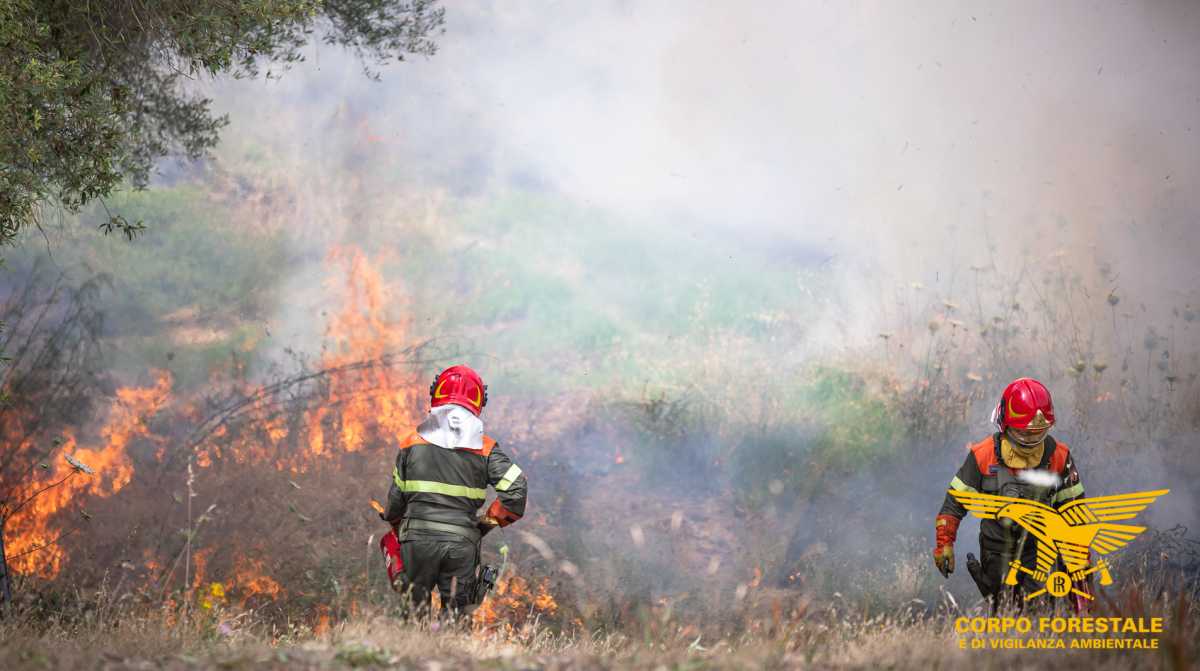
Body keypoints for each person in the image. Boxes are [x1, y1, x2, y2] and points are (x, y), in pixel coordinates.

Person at [380, 365, 527, 615]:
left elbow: (395, 503)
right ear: (479, 401)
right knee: (457, 619)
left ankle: (413, 653)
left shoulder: (411, 444)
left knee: (414, 615)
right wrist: (485, 524)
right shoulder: (486, 448)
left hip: (416, 542)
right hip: (462, 544)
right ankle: (452, 654)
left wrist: (396, 525)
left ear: (435, 394)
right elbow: (516, 492)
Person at [933, 377, 1086, 611]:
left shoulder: (1059, 457)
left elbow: (1075, 519)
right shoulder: (982, 456)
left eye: (1039, 432)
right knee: (1003, 608)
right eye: (1024, 433)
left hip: (1039, 549)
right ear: (1004, 425)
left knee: (1038, 611)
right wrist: (944, 543)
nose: (1032, 439)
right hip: (996, 550)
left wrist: (1080, 581)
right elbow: (954, 503)